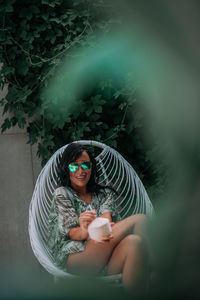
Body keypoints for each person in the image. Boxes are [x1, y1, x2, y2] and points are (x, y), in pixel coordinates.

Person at [48, 142, 148, 293]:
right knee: (140, 219)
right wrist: (83, 231)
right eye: (74, 166)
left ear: (91, 167)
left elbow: (106, 221)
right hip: (77, 258)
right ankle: (161, 272)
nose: (81, 171)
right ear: (66, 169)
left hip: (106, 257)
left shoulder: (103, 194)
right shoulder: (62, 194)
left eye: (86, 165)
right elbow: (70, 232)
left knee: (134, 242)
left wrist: (97, 230)